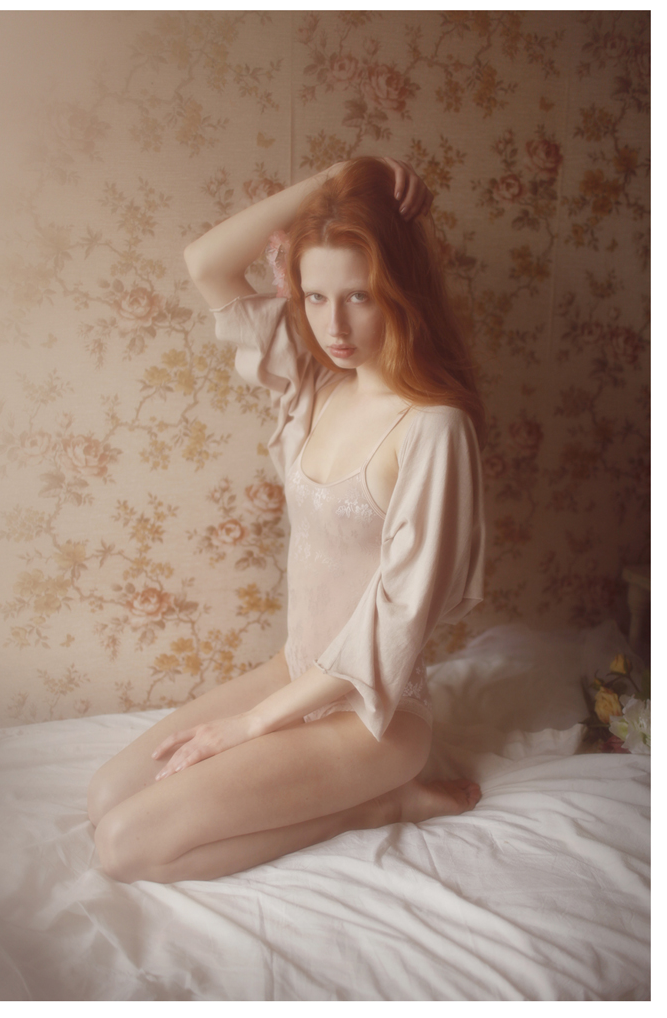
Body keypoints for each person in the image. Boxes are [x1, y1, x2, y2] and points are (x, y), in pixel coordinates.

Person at [88, 156, 485, 884]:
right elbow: (206, 263)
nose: (334, 325)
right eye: (314, 296)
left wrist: (250, 725)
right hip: (291, 671)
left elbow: (395, 621)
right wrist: (343, 175)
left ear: (401, 290)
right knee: (104, 797)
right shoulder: (314, 383)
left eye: (359, 296)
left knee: (124, 846)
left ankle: (377, 805)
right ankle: (362, 795)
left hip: (371, 719)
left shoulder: (434, 429)